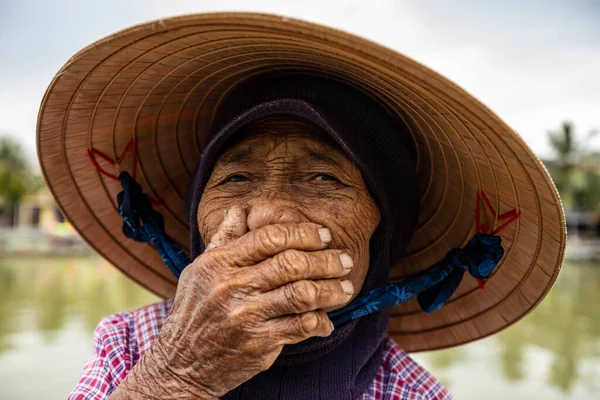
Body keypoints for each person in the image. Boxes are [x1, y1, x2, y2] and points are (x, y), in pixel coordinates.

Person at [37, 13, 566, 400]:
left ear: (383, 236)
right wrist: (179, 377)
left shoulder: (410, 393)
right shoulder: (133, 346)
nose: (267, 213)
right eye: (237, 176)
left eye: (321, 178)